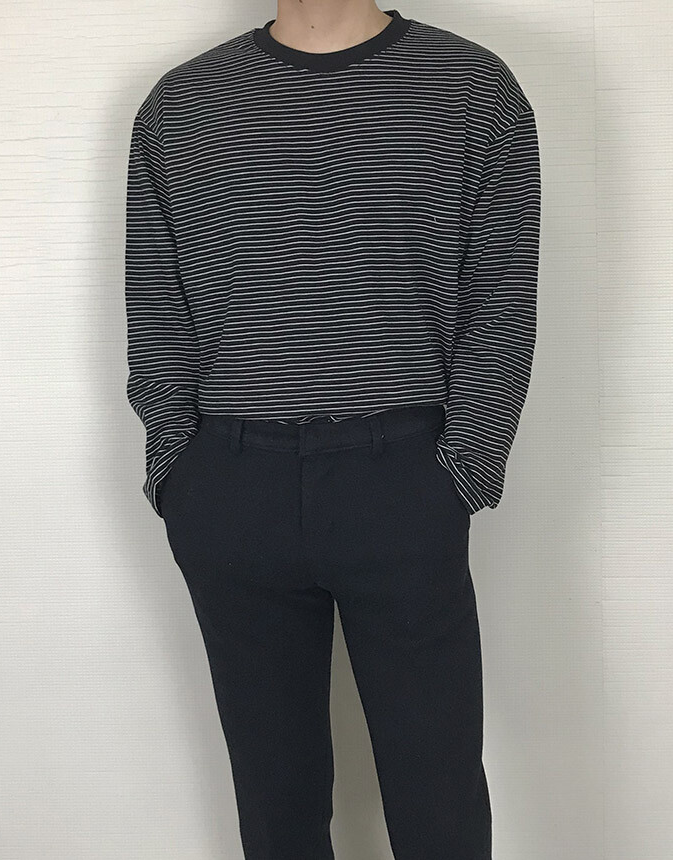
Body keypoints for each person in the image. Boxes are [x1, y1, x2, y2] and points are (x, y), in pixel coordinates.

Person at [124, 2, 540, 857]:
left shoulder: (471, 87)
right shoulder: (180, 104)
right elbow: (157, 308)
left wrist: (462, 470)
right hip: (231, 483)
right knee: (275, 807)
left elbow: (500, 298)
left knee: (439, 806)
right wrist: (179, 471)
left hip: (404, 476)